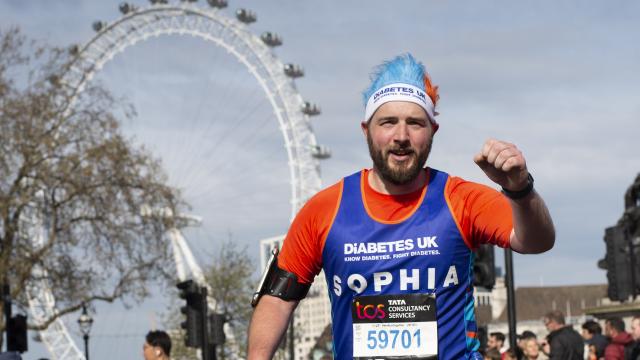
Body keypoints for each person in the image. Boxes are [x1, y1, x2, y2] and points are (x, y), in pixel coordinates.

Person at [247, 53, 555, 360]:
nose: (401, 136)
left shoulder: (461, 198)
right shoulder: (325, 209)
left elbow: (537, 241)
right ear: (366, 129)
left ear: (432, 131)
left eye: (415, 123)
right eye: (388, 122)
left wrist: (520, 188)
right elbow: (277, 299)